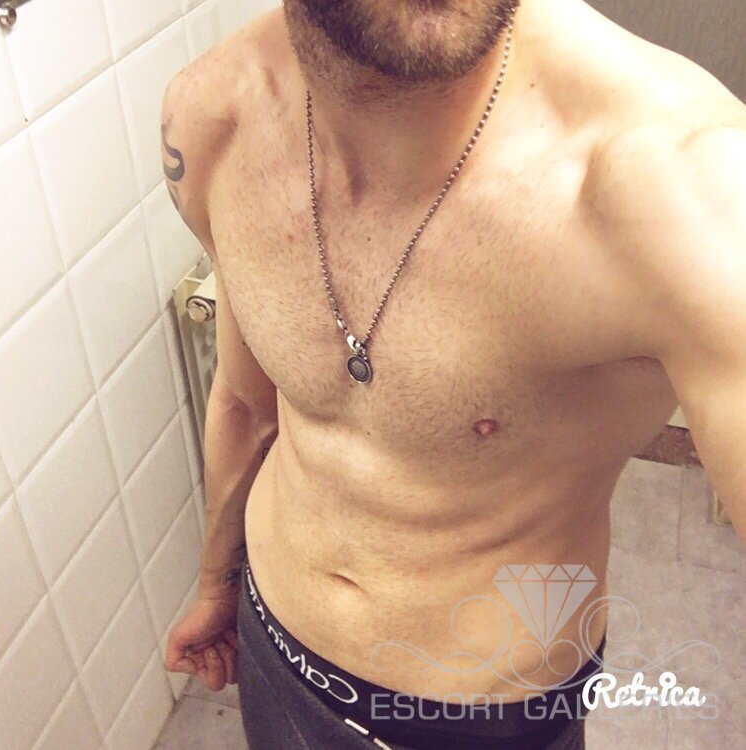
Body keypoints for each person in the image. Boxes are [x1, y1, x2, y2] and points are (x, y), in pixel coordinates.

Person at [162, 0, 746, 747]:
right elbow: (248, 404)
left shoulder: (689, 187)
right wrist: (216, 581)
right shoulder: (213, 116)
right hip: (272, 644)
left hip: (482, 720)